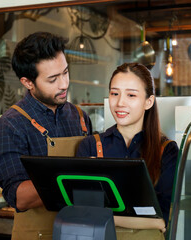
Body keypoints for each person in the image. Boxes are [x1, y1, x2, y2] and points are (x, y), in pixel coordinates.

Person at [0, 31, 92, 240]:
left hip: (82, 233)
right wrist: (80, 173)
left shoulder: (80, 117)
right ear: (27, 82)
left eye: (65, 72)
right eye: (53, 79)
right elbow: (19, 197)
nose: (63, 84)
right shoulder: (9, 126)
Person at [76, 63, 179, 239]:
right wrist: (147, 220)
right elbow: (80, 211)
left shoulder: (166, 150)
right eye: (114, 93)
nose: (120, 103)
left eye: (131, 95)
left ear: (149, 101)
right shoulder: (90, 146)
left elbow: (163, 218)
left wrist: (104, 216)